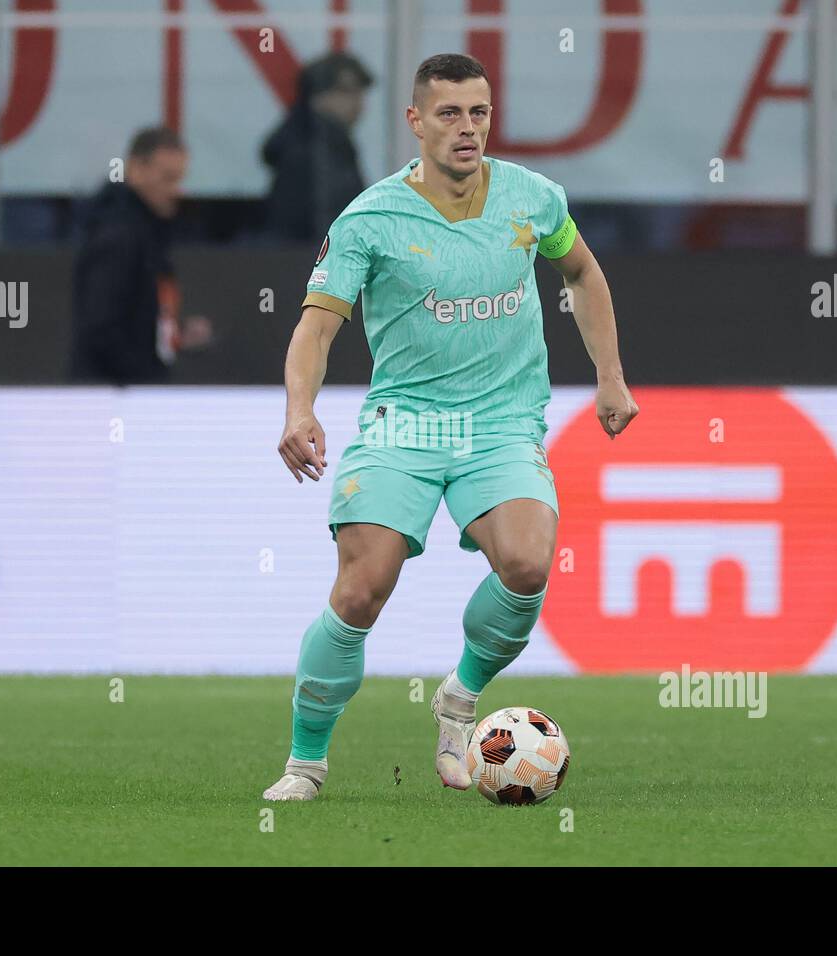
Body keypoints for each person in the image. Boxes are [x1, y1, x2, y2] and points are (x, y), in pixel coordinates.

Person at [265, 53, 639, 800]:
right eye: (449, 114)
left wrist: (610, 375)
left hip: (500, 424)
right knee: (362, 589)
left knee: (530, 566)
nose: (467, 129)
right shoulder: (369, 219)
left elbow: (583, 275)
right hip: (405, 427)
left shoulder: (534, 199)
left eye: (479, 113)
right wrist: (299, 409)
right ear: (415, 121)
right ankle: (306, 761)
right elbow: (315, 329)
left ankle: (460, 701)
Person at [69, 126, 212, 385]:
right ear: (136, 170)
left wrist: (174, 333)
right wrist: (145, 378)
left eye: (180, 179)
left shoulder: (146, 234)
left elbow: (135, 318)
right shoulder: (118, 238)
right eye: (168, 178)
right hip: (109, 399)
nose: (176, 191)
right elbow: (101, 328)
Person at [261, 52, 373, 242]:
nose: (358, 101)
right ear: (317, 96)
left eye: (360, 91)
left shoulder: (335, 144)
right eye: (346, 91)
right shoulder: (311, 149)